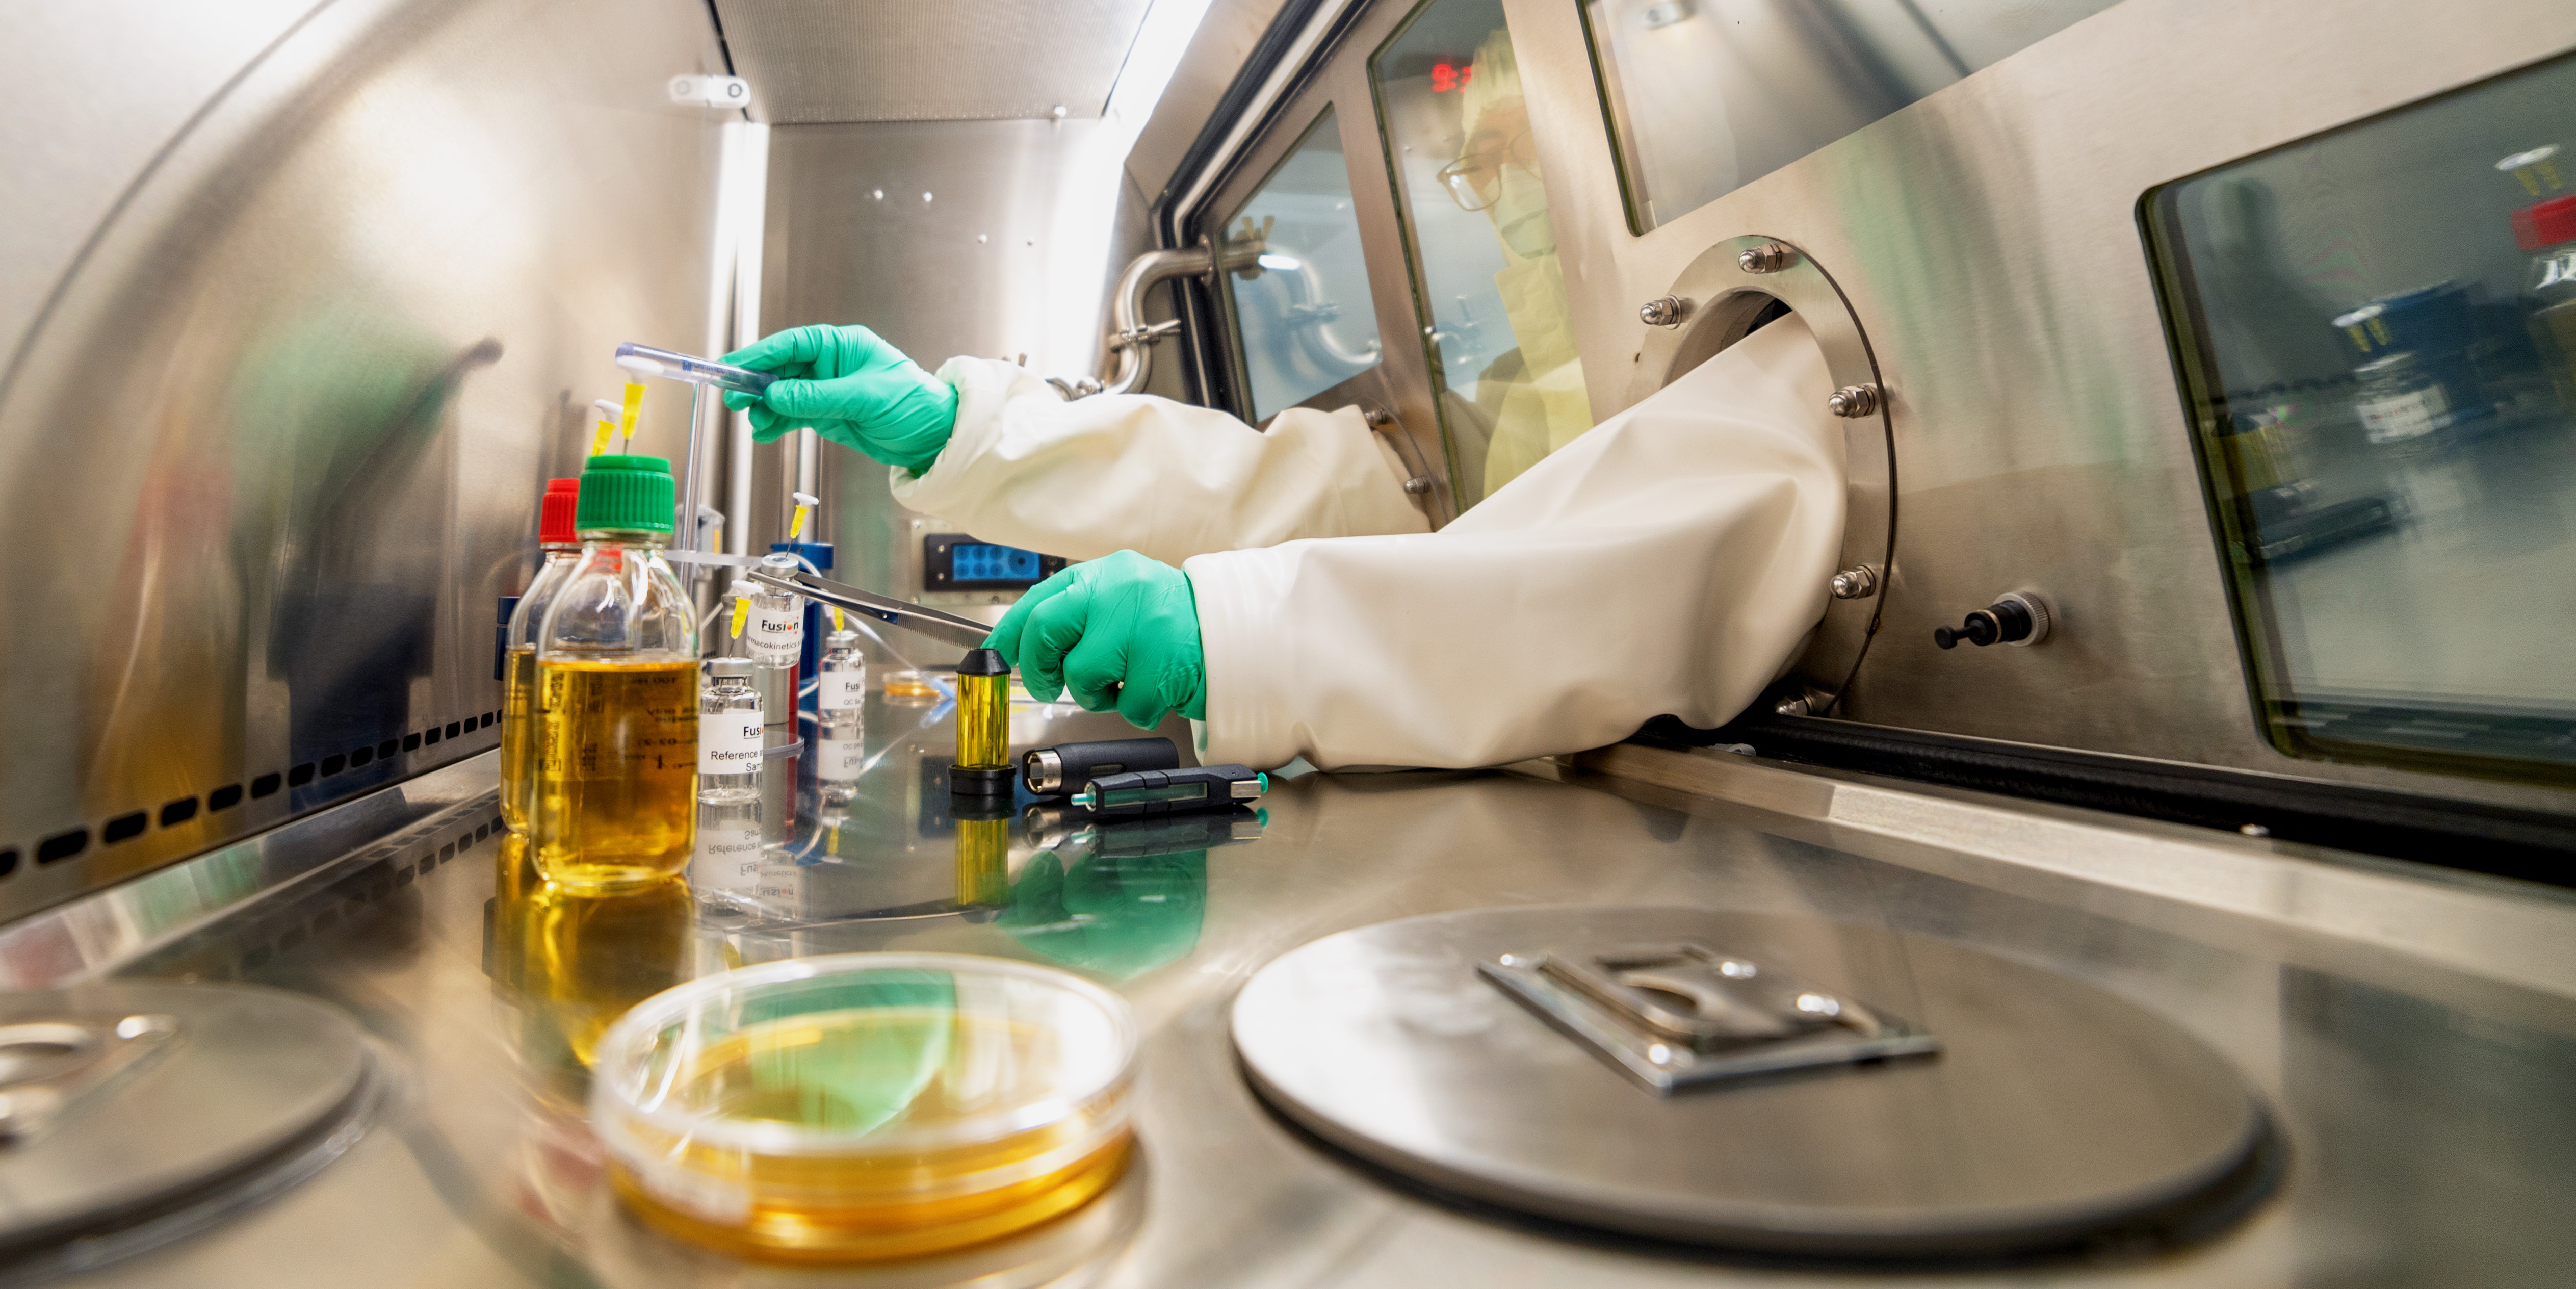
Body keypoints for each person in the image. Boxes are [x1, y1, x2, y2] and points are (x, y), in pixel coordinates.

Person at [721, 311, 1846, 775]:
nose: (1489, 184)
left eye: (1492, 155)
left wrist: (1247, 633)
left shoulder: (1805, 369)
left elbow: (1648, 566)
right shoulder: (1513, 367)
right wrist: (972, 433)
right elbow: (1365, 513)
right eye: (1473, 164)